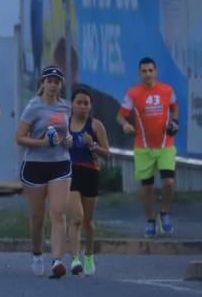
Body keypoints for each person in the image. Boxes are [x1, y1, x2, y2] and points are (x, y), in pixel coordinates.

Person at [16, 66, 73, 278]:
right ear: (43, 83)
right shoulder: (33, 106)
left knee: (58, 213)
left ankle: (57, 260)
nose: (52, 85)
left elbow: (69, 135)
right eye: (49, 81)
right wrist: (41, 143)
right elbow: (19, 137)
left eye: (56, 81)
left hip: (60, 163)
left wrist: (68, 140)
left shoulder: (66, 107)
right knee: (38, 216)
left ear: (61, 85)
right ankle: (37, 252)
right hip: (35, 165)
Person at [117, 57, 180, 236]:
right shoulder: (133, 93)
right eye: (144, 71)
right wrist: (125, 124)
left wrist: (175, 122)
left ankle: (164, 213)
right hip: (143, 147)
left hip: (165, 145)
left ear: (156, 72)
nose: (147, 74)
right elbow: (120, 116)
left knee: (169, 182)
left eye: (150, 70)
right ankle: (151, 220)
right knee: (147, 188)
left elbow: (175, 108)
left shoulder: (167, 90)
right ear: (139, 73)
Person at [68, 88, 109, 275]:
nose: (83, 106)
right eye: (79, 103)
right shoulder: (65, 123)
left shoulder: (95, 125)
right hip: (70, 172)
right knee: (76, 218)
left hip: (90, 172)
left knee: (88, 221)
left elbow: (107, 153)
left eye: (86, 103)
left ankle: (89, 255)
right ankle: (75, 259)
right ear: (72, 104)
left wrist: (92, 144)